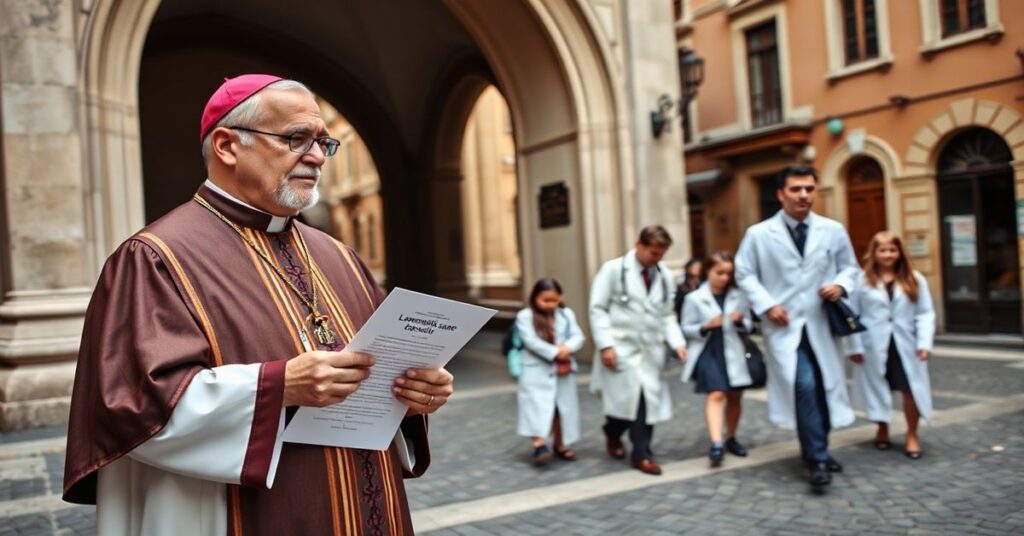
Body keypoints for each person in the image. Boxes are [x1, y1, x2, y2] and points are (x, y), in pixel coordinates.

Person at [62, 74, 455, 535]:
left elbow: (375, 372)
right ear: (228, 146)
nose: (315, 156)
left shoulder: (339, 255)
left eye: (323, 143)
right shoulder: (155, 258)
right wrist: (278, 386)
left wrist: (412, 394)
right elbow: (132, 407)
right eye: (295, 138)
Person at [734, 164, 859, 488]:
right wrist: (767, 304)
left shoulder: (832, 230)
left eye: (809, 189)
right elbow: (744, 273)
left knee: (824, 389)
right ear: (780, 194)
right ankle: (817, 458)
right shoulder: (759, 234)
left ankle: (815, 448)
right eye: (796, 189)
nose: (804, 195)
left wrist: (840, 286)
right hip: (785, 326)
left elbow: (850, 268)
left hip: (821, 324)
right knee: (803, 386)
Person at [589, 225, 687, 475]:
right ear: (639, 245)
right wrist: (606, 345)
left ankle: (642, 454)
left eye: (661, 254)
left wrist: (677, 343)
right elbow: (597, 309)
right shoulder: (613, 270)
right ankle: (612, 431)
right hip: (621, 349)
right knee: (624, 406)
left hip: (650, 352)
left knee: (645, 404)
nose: (658, 258)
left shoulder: (664, 276)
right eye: (654, 253)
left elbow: (667, 315)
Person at [845, 232, 935, 459]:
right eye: (882, 250)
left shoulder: (915, 279)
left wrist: (924, 343)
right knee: (877, 388)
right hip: (873, 344)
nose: (887, 254)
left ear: (899, 252)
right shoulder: (862, 281)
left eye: (892, 250)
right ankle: (882, 428)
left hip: (906, 344)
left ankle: (912, 434)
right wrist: (854, 347)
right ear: (874, 253)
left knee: (910, 390)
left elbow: (925, 313)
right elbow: (852, 315)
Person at [679, 251, 754, 467]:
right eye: (719, 272)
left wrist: (741, 322)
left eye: (728, 273)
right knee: (716, 394)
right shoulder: (694, 298)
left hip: (734, 350)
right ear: (708, 271)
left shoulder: (738, 296)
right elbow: (686, 328)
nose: (724, 278)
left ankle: (731, 437)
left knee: (735, 396)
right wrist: (706, 326)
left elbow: (750, 325)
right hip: (708, 351)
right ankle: (716, 443)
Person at [515, 278, 586, 466]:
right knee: (536, 407)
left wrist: (568, 348)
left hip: (562, 370)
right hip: (535, 370)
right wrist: (555, 352)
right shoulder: (525, 316)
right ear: (535, 298)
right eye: (545, 300)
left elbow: (578, 336)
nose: (550, 304)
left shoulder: (566, 314)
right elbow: (530, 341)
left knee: (561, 409)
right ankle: (539, 444)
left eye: (554, 300)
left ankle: (560, 444)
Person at [674, 258, 704, 322]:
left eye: (699, 277)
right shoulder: (680, 290)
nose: (696, 280)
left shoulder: (706, 287)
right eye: (692, 276)